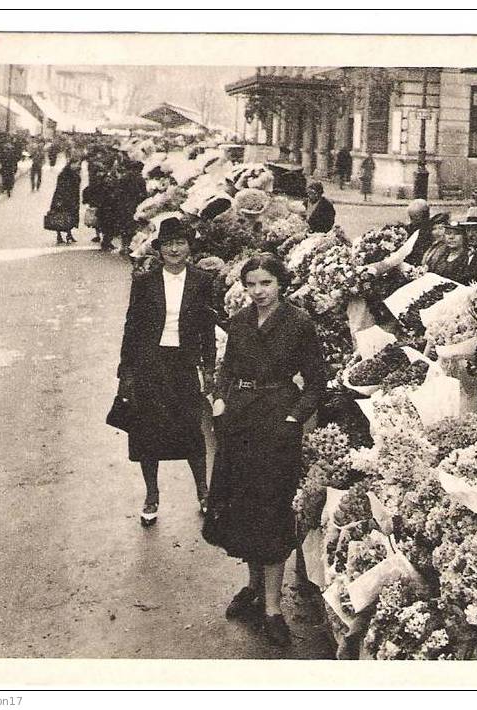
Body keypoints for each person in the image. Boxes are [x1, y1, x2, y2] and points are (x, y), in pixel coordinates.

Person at [203, 254, 327, 648]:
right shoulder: (238, 322)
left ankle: (273, 607)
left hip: (277, 419)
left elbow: (316, 381)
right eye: (251, 284)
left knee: (272, 509)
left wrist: (294, 417)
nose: (258, 292)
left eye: (266, 283)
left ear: (281, 284)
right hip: (239, 420)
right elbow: (226, 369)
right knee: (243, 505)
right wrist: (220, 399)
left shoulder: (299, 322)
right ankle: (253, 586)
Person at [116, 217, 217, 528]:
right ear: (159, 249)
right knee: (147, 432)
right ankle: (152, 495)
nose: (174, 249)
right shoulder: (145, 282)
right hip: (149, 364)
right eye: (168, 243)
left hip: (184, 364)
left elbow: (207, 329)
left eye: (180, 243)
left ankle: (203, 491)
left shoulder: (202, 281)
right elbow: (132, 326)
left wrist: (209, 369)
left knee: (191, 431)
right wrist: (126, 371)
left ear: (189, 247)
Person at [47, 158, 81, 245]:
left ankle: (69, 234)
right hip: (62, 199)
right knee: (60, 216)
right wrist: (60, 199)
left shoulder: (75, 174)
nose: (78, 165)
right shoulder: (64, 175)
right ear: (71, 164)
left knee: (69, 216)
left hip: (72, 199)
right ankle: (59, 236)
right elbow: (60, 188)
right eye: (76, 164)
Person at [405, 198, 433, 265]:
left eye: (415, 217)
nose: (412, 221)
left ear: (425, 216)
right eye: (411, 217)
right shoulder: (409, 228)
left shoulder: (429, 231)